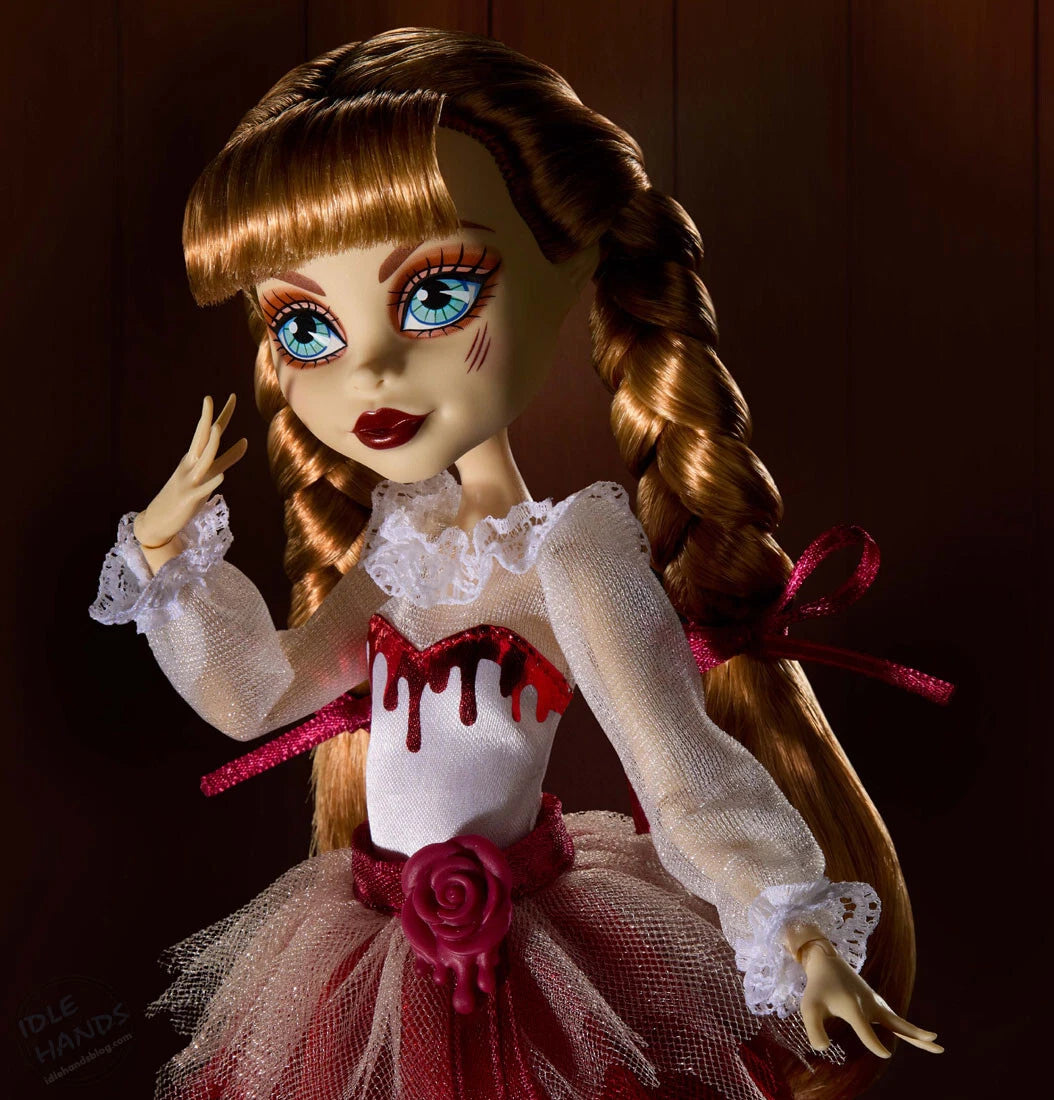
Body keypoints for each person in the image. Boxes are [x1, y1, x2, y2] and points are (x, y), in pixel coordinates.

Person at [90, 27, 941, 1100]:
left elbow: (671, 758)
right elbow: (259, 689)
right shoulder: (403, 542)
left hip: (527, 960)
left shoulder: (568, 550)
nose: (372, 369)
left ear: (571, 262)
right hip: (371, 943)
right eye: (307, 326)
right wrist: (168, 561)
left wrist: (793, 928)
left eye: (436, 295)